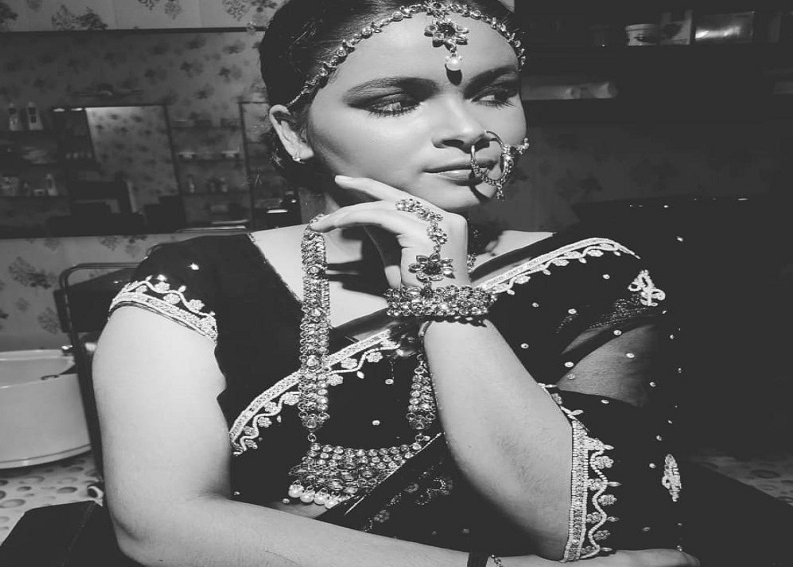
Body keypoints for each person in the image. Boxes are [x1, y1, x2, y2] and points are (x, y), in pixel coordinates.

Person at [92, 1, 699, 566]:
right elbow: (162, 522)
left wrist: (442, 292)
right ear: (294, 131)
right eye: (394, 102)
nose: (467, 128)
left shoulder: (591, 273)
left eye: (496, 93)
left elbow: (586, 521)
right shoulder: (194, 283)